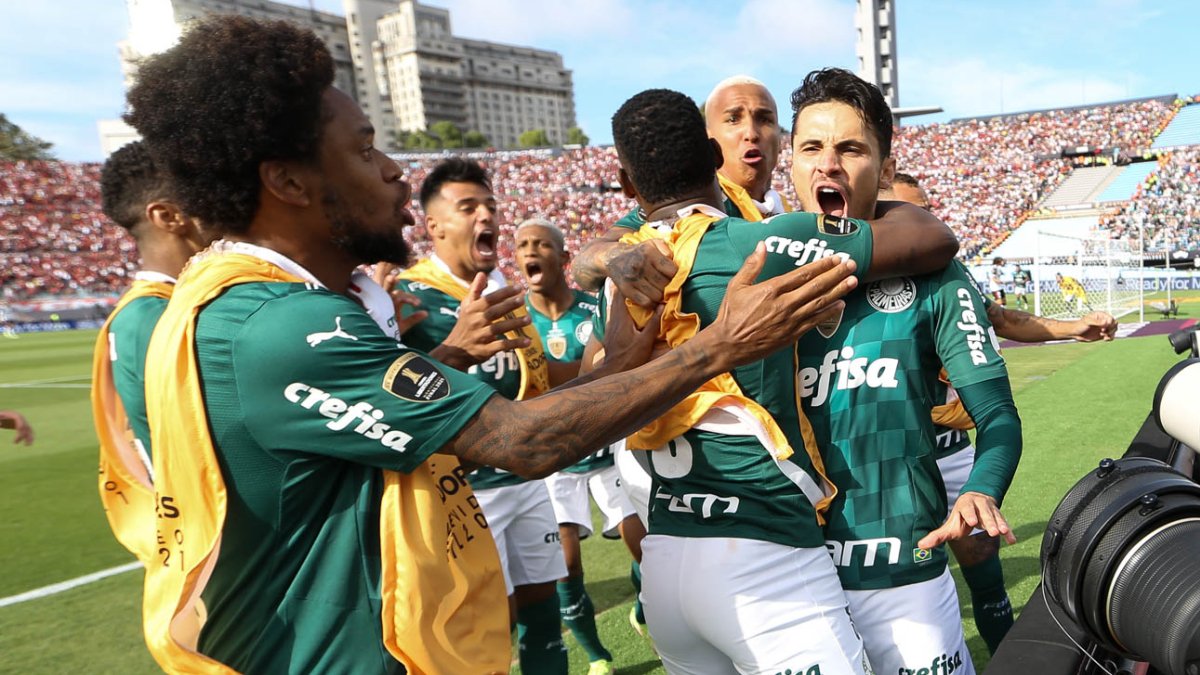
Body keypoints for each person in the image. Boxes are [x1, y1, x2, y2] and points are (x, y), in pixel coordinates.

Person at [124, 16, 854, 674]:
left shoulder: (282, 307)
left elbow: (470, 429)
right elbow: (519, 440)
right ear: (286, 180)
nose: (392, 172)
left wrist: (630, 359)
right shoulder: (275, 325)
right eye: (366, 149)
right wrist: (718, 346)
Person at [597, 87, 959, 675]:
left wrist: (598, 253)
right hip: (764, 552)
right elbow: (933, 238)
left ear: (627, 185)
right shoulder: (762, 244)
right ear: (717, 158)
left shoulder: (619, 275)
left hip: (665, 560)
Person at [789, 67, 1022, 675]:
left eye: (850, 148)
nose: (828, 165)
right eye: (811, 147)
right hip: (790, 582)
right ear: (790, 162)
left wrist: (980, 489)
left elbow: (997, 417)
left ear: (885, 169)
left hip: (903, 575)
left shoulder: (937, 280)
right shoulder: (756, 272)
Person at [881, 173, 1117, 654]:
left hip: (947, 450)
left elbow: (1002, 319)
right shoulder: (847, 274)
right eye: (910, 211)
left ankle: (1004, 651)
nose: (925, 222)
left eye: (927, 209)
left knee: (979, 547)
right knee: (893, 582)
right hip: (883, 457)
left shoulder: (950, 270)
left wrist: (1074, 328)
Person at [394, 160, 579, 675]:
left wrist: (604, 361)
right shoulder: (407, 298)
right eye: (468, 207)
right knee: (486, 624)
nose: (486, 216)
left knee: (544, 606)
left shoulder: (500, 288)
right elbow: (395, 403)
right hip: (461, 493)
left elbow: (535, 380)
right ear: (435, 227)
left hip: (523, 475)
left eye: (491, 206)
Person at [515, 217, 639, 675]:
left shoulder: (593, 308)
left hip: (606, 451)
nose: (532, 251)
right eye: (524, 244)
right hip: (555, 463)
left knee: (645, 546)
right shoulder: (514, 320)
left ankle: (643, 604)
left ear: (564, 258)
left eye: (543, 244)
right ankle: (597, 656)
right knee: (566, 565)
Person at [91, 140, 211, 564]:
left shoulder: (153, 309)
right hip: (219, 548)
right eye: (208, 193)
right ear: (169, 216)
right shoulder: (156, 316)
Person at [572, 75, 788, 307]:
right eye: (733, 119)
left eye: (765, 119)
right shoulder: (686, 205)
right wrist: (613, 256)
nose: (751, 133)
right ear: (710, 139)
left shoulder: (785, 207)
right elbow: (584, 263)